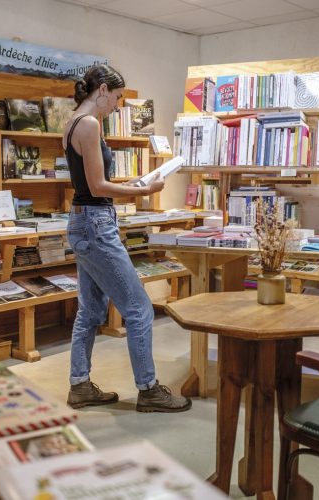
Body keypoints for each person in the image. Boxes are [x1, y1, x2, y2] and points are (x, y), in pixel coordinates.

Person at [62, 64, 191, 413]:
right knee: (139, 309)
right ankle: (149, 389)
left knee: (89, 310)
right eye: (117, 98)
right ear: (102, 90)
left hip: (84, 221)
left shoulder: (74, 121)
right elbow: (97, 187)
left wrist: (134, 182)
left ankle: (80, 385)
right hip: (95, 224)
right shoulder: (89, 125)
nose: (117, 106)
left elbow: (93, 185)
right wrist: (144, 190)